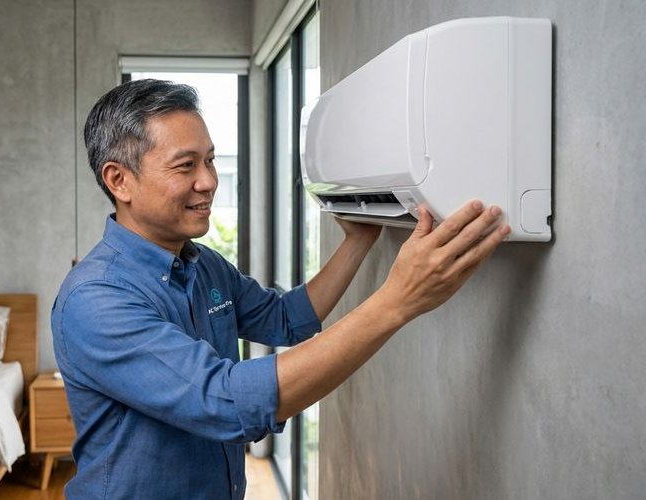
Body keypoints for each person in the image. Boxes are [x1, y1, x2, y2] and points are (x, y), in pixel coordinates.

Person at [51, 79, 510, 500]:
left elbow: (285, 319)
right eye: (185, 165)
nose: (208, 181)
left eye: (209, 160)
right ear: (119, 180)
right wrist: (397, 301)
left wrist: (359, 239)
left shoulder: (201, 262)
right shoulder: (95, 298)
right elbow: (226, 402)